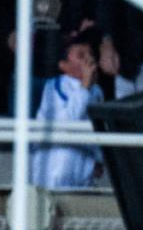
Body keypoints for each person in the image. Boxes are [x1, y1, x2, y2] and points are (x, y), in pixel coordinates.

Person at [30, 33, 105, 190]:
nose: (88, 59)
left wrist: (99, 159)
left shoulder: (97, 91)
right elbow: (69, 122)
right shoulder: (54, 87)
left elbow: (98, 127)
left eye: (90, 54)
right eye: (80, 55)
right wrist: (84, 87)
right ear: (63, 65)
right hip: (55, 167)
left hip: (84, 168)